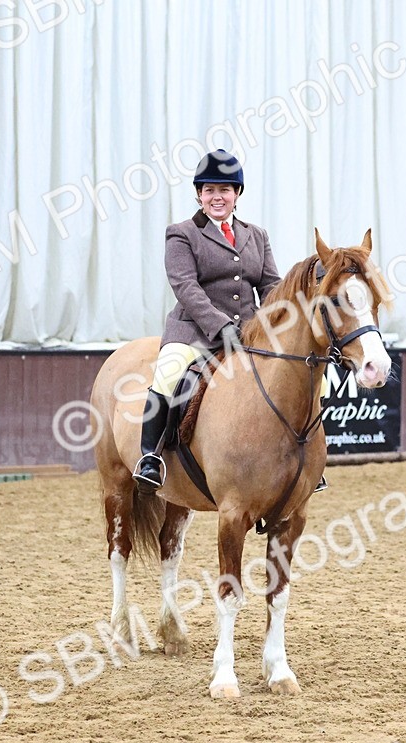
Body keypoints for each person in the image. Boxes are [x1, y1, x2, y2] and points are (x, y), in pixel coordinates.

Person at [133, 149, 289, 491]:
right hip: (195, 333)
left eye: (225, 190)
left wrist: (276, 323)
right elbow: (185, 286)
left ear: (237, 194)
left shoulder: (257, 235)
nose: (217, 197)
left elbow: (271, 286)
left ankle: (299, 456)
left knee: (296, 373)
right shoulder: (182, 233)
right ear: (199, 195)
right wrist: (219, 326)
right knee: (169, 370)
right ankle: (150, 457)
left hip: (247, 334)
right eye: (209, 190)